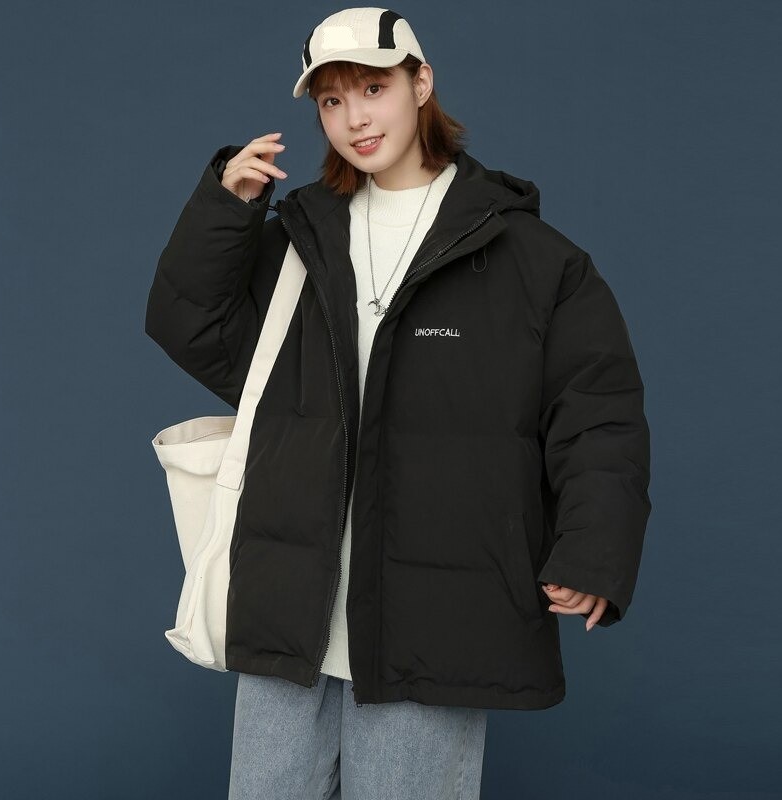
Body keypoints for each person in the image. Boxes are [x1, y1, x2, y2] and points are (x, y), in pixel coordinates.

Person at [145, 7, 652, 799]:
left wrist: (592, 553)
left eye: (372, 89)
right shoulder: (299, 242)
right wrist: (227, 209)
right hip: (293, 600)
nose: (354, 118)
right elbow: (193, 327)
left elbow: (598, 414)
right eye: (331, 100)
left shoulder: (533, 260)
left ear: (421, 84)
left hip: (439, 605)